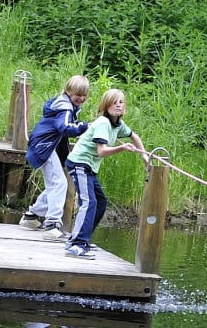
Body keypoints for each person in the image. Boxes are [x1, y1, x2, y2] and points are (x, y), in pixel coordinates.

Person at [62, 88, 148, 258]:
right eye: (114, 102)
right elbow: (102, 151)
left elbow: (134, 136)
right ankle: (75, 243)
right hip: (79, 164)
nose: (118, 105)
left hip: (89, 168)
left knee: (100, 202)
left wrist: (145, 156)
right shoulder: (103, 123)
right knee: (89, 202)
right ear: (105, 105)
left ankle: (83, 239)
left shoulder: (118, 124)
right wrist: (122, 148)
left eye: (121, 102)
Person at [19, 76, 90, 241]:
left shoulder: (66, 105)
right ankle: (52, 225)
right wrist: (85, 126)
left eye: (84, 95)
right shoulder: (65, 108)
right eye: (77, 94)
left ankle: (31, 217)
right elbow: (64, 128)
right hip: (43, 148)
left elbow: (61, 134)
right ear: (68, 92)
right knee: (59, 183)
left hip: (44, 147)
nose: (81, 98)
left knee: (55, 183)